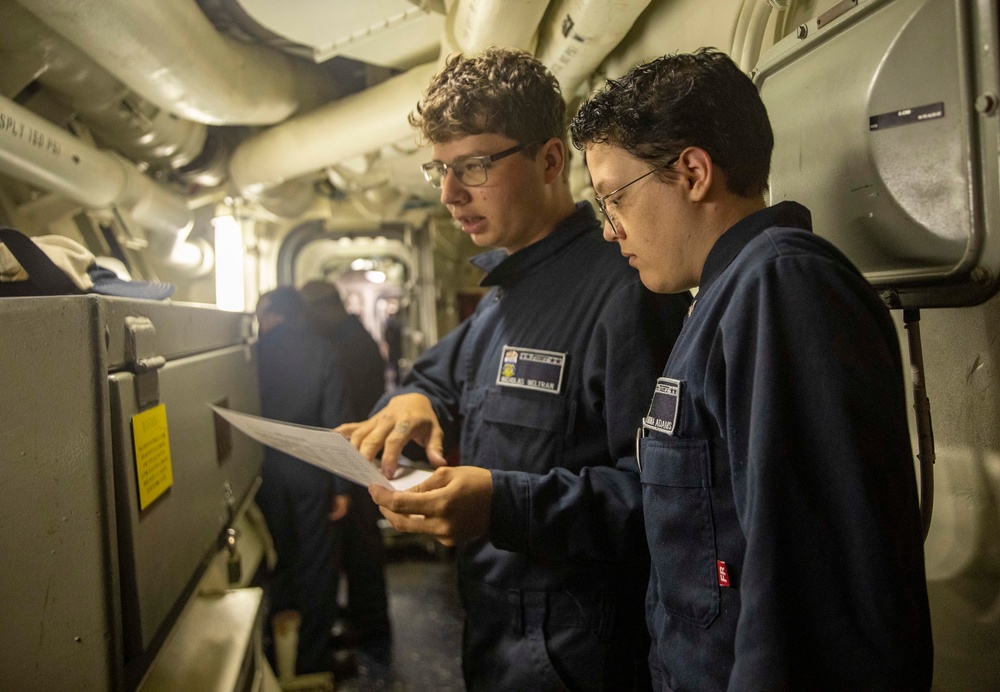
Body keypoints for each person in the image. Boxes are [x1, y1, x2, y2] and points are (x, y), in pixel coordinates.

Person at [566, 49, 933, 689]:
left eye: (612, 198)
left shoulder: (780, 286)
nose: (608, 230)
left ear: (692, 172)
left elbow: (804, 592)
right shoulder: (724, 300)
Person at [338, 48, 691, 691]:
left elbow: (665, 503)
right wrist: (413, 401)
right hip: (496, 643)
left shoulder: (629, 288)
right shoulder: (504, 294)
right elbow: (439, 377)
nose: (449, 194)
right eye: (440, 170)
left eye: (473, 166)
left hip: (584, 660)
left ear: (551, 160)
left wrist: (504, 505)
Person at [254, 286, 351, 677]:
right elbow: (337, 422)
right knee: (316, 568)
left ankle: (277, 660)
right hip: (312, 475)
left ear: (276, 314)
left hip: (266, 473)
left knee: (277, 563)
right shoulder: (324, 350)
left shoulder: (253, 353)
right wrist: (342, 487)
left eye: (261, 314)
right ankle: (312, 662)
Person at [299, 280, 392, 663]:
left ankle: (370, 625)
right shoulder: (353, 336)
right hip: (357, 453)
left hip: (358, 455)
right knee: (359, 544)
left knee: (362, 545)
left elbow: (346, 405)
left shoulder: (348, 345)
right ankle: (362, 616)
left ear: (326, 309)